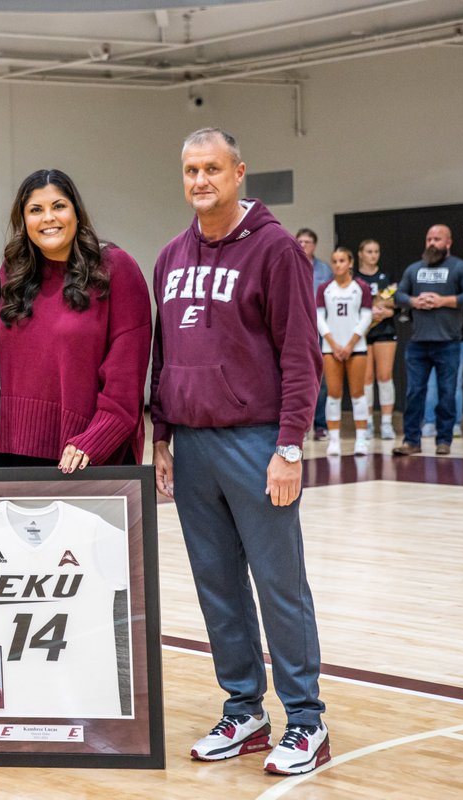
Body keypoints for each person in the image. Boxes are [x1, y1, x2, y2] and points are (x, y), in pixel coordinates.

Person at [151, 128, 330, 775]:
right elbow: (164, 354)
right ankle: (245, 711)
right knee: (218, 587)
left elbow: (301, 356)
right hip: (192, 446)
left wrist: (290, 445)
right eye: (191, 169)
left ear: (239, 173)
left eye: (213, 169)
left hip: (257, 442)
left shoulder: (278, 250)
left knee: (280, 585)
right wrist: (162, 433)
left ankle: (306, 720)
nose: (201, 180)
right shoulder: (170, 256)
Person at [0, 169, 151, 471]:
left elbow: (126, 378)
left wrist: (93, 440)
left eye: (59, 206)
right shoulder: (13, 272)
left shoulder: (116, 268)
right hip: (14, 454)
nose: (48, 218)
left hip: (88, 455)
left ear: (76, 213)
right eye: (36, 210)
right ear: (23, 220)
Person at [391, 224, 463, 457]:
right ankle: (411, 440)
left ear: (448, 242)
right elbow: (398, 295)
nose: (432, 243)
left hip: (448, 342)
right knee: (414, 393)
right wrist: (413, 302)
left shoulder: (460, 268)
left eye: (437, 239)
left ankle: (444, 440)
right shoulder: (414, 269)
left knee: (447, 392)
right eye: (429, 239)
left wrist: (443, 301)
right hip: (418, 342)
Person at [317, 247, 372, 456]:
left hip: (356, 348)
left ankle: (361, 439)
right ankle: (334, 440)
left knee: (358, 394)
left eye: (342, 261)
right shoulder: (324, 288)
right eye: (334, 261)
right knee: (333, 394)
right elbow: (319, 318)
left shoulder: (361, 288)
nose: (338, 264)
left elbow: (366, 317)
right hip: (331, 349)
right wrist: (333, 343)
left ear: (350, 263)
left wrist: (350, 344)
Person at [354, 239, 398, 441]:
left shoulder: (386, 277)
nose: (373, 255)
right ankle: (368, 422)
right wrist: (367, 313)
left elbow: (397, 302)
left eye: (376, 251)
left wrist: (387, 311)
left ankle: (387, 423)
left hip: (385, 331)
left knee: (385, 375)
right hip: (362, 331)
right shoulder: (355, 279)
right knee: (366, 378)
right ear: (361, 254)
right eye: (369, 251)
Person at [296, 229, 331, 441]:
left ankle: (320, 424)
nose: (303, 245)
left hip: (320, 329)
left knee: (321, 381)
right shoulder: (289, 263)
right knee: (297, 379)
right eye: (299, 241)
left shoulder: (324, 270)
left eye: (307, 242)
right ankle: (301, 426)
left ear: (314, 245)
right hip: (296, 328)